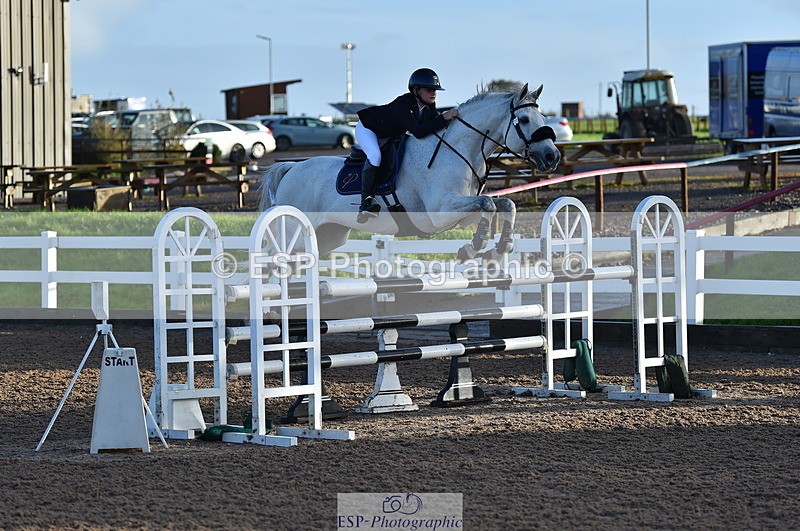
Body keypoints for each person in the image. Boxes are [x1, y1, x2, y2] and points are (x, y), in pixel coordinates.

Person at [354, 67, 459, 222]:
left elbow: (432, 127)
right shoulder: (404, 103)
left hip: (389, 134)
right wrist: (444, 118)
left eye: (435, 90)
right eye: (429, 89)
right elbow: (418, 132)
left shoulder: (428, 106)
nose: (433, 93)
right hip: (368, 128)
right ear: (415, 90)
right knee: (375, 156)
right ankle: (366, 202)